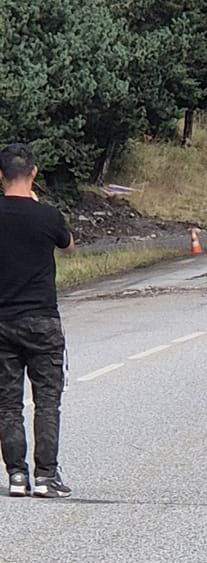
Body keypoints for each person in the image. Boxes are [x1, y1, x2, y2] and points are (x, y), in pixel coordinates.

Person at [0, 144, 75, 499]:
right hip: (42, 319)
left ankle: (16, 475)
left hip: (2, 320)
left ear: (0, 175)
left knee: (7, 402)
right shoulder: (48, 216)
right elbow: (69, 245)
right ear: (34, 172)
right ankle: (46, 476)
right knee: (46, 399)